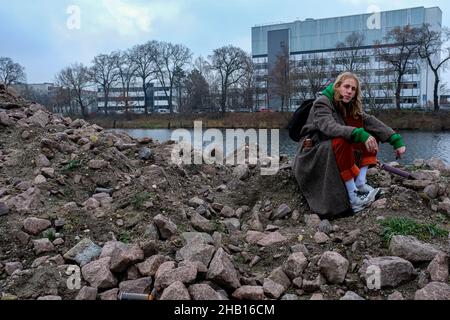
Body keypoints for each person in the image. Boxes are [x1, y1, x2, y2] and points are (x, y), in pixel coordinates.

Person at [292, 72, 406, 217]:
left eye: (353, 89)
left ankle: (360, 183)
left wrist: (395, 139)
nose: (349, 91)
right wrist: (358, 134)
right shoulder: (322, 102)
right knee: (344, 140)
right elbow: (329, 127)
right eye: (346, 87)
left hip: (329, 147)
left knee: (369, 134)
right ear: (337, 86)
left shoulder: (348, 105)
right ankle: (354, 198)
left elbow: (370, 121)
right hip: (312, 151)